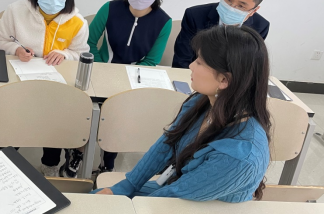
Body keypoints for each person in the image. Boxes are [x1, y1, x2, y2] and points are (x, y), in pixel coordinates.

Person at [94, 25, 271, 202]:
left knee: (101, 208)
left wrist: (125, 204)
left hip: (203, 211)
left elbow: (168, 200)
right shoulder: (202, 102)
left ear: (224, 79)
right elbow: (167, 143)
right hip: (177, 190)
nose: (191, 65)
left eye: (200, 62)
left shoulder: (238, 156)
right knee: (97, 198)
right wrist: (126, 186)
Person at [0, 0, 89, 177]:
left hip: (54, 89)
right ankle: (4, 161)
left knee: (53, 123)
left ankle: (50, 165)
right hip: (18, 84)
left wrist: (64, 54)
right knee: (14, 123)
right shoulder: (15, 11)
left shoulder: (77, 22)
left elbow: (80, 53)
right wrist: (16, 49)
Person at [88, 0, 172, 175]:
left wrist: (124, 79)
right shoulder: (110, 8)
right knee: (86, 112)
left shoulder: (164, 22)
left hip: (133, 81)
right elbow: (89, 42)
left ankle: (107, 163)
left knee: (118, 119)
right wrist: (102, 67)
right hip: (101, 73)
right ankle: (78, 153)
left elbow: (151, 60)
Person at [172, 0, 269, 69]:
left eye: (241, 6)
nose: (231, 7)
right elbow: (182, 62)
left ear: (253, 11)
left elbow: (247, 67)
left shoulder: (260, 27)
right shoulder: (195, 15)